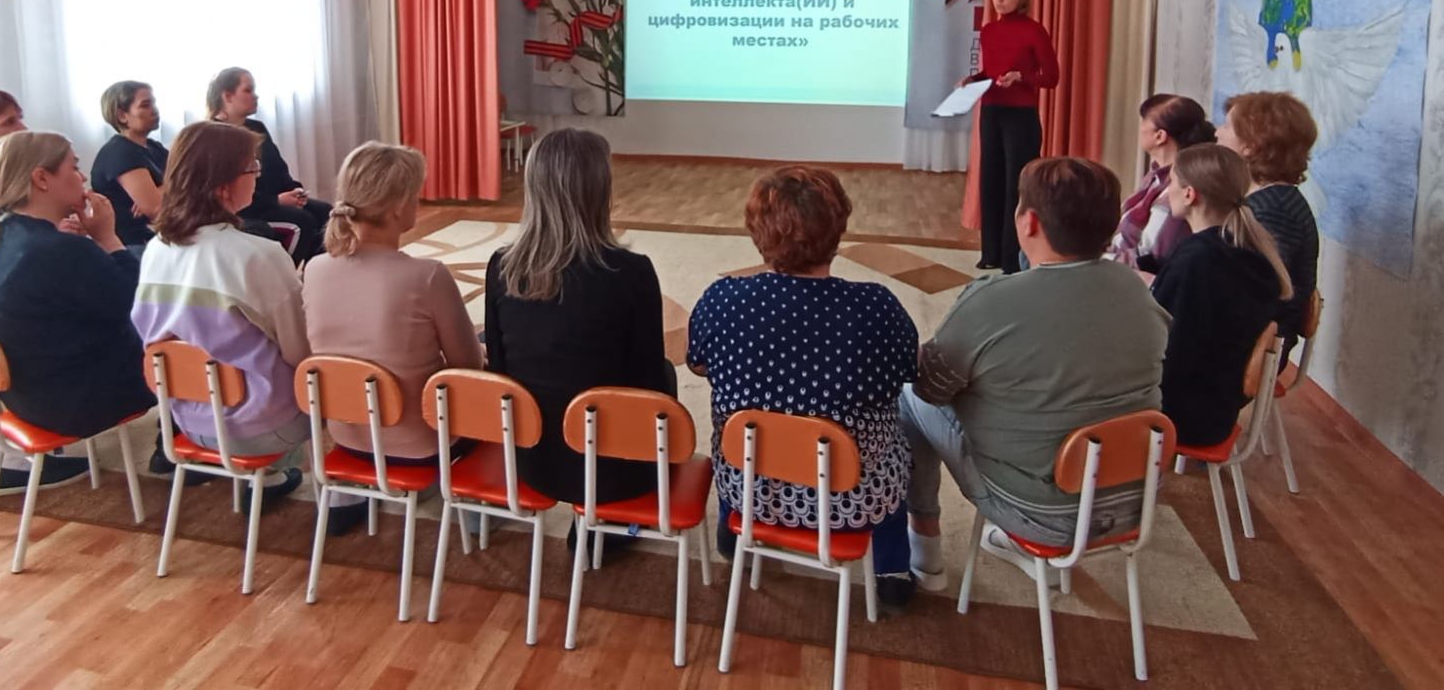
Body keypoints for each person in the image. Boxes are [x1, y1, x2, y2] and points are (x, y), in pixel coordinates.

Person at [898, 156, 1169, 588]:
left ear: (1030, 222)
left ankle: (924, 550)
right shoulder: (1139, 292)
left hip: (1040, 513)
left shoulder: (992, 302)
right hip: (1135, 502)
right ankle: (1016, 547)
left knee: (908, 395)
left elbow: (931, 387)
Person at [688, 166, 920, 605]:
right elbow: (907, 375)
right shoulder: (876, 308)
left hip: (751, 490)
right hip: (854, 500)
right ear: (838, 228)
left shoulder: (722, 300)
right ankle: (891, 571)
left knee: (734, 430)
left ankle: (733, 536)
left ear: (757, 232)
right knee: (900, 431)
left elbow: (699, 365)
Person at [482, 128, 673, 552]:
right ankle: (608, 514)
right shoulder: (632, 272)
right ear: (600, 192)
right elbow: (647, 384)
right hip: (610, 468)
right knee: (662, 373)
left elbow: (499, 368)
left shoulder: (502, 266)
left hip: (530, 459)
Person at [0, 131, 155, 489]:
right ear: (41, 178)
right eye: (73, 167)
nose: (83, 177)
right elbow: (141, 306)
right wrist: (107, 238)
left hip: (26, 399)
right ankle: (188, 448)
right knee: (181, 338)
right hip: (76, 402)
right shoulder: (57, 249)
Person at [302, 141, 482, 534]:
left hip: (348, 435)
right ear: (399, 207)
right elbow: (467, 367)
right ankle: (475, 511)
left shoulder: (314, 268)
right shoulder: (427, 276)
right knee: (498, 394)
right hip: (420, 444)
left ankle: (350, 496)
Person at [131, 121, 310, 499]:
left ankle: (242, 472)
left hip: (187, 419)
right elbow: (299, 351)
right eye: (253, 167)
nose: (258, 176)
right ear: (224, 185)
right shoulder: (258, 255)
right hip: (262, 427)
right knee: (337, 380)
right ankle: (279, 479)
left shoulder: (156, 248)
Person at [1151, 144, 1291, 446]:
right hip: (1217, 409)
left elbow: (1165, 349)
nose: (1166, 190)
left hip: (1179, 416)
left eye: (1172, 182)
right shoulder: (1247, 252)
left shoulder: (1197, 260)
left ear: (1190, 194)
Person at [968, 0, 1059, 273]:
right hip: (991, 111)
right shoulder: (989, 31)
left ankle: (1013, 257)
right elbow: (990, 72)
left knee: (1015, 185)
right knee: (990, 180)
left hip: (1020, 116)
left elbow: (1051, 77)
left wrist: (1021, 77)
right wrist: (971, 80)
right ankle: (991, 252)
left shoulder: (1034, 31)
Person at [1217, 92, 1320, 357]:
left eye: (1226, 126)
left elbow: (1254, 299)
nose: (1217, 132)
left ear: (1251, 146)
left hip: (1251, 351)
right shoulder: (1266, 199)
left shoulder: (1275, 211)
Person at [206, 67, 331, 264]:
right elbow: (229, 192)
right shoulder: (214, 135)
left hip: (273, 201)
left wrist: (294, 190)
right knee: (303, 222)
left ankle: (314, 273)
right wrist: (276, 201)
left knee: (326, 213)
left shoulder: (257, 128)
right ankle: (284, 275)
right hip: (246, 208)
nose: (255, 96)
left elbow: (278, 168)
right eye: (248, 90)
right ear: (227, 96)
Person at [1108, 94, 1217, 275]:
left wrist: (1097, 259)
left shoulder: (1177, 188)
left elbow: (1148, 259)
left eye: (1144, 121)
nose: (1140, 128)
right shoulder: (1155, 177)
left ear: (1160, 136)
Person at [90, 81, 167, 250]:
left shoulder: (154, 147)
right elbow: (157, 209)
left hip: (158, 238)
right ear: (122, 115)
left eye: (154, 103)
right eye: (145, 105)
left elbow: (191, 180)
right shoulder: (120, 152)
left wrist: (161, 189)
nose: (155, 110)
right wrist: (170, 188)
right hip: (133, 245)